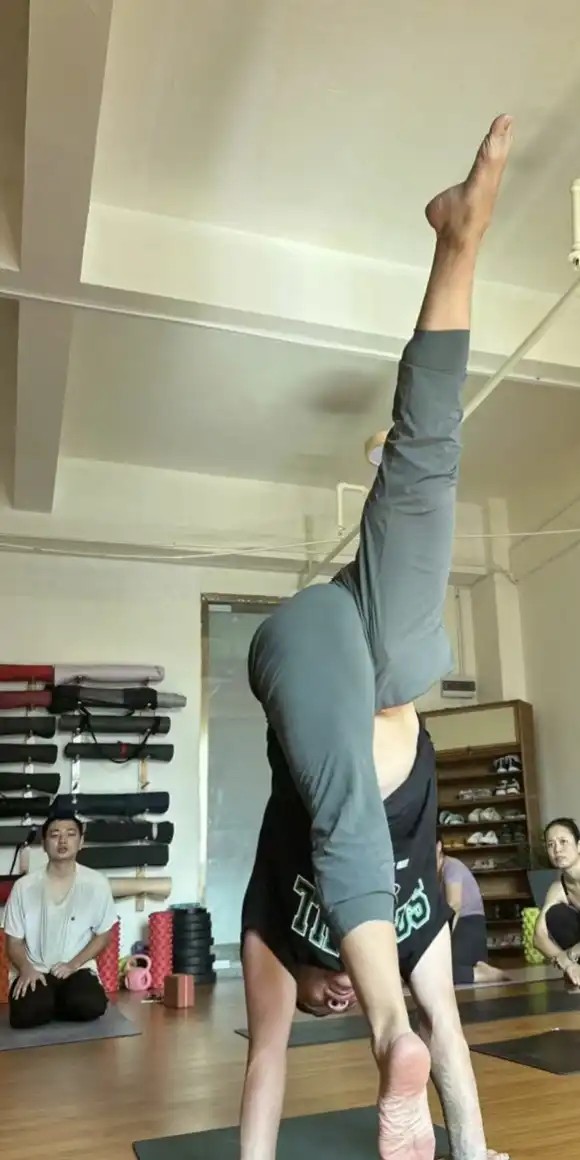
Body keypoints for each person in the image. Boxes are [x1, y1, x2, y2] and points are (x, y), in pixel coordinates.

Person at [241, 114, 513, 1160]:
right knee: (425, 464)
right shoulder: (411, 921)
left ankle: (458, 240)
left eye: (335, 997)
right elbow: (436, 1032)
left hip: (317, 645)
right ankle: (458, 240)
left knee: (424, 463)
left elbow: (265, 1063)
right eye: (338, 997)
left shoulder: (273, 918)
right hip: (386, 685)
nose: (324, 997)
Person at [4, 805, 117, 1029]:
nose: (63, 841)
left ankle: (56, 1001)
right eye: (55, 835)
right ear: (44, 844)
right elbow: (13, 942)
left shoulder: (97, 883)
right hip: (36, 970)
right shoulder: (24, 887)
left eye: (70, 834)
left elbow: (104, 934)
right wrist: (26, 968)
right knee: (25, 1015)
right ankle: (48, 1001)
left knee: (90, 1005)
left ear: (81, 841)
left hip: (75, 970)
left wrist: (73, 964)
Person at [436, 837, 508, 986]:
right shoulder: (432, 873)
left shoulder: (451, 867)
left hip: (469, 924)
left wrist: (444, 938)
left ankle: (485, 974)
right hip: (458, 925)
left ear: (439, 846)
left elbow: (454, 904)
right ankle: (479, 970)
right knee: (433, 968)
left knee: (441, 971)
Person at [533, 817, 580, 988]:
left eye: (563, 842)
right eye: (550, 845)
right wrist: (568, 965)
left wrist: (571, 954)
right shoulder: (558, 888)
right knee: (555, 914)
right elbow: (538, 937)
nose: (557, 849)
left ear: (579, 846)